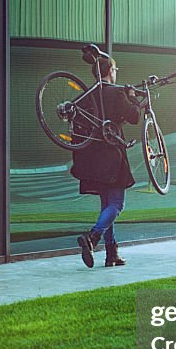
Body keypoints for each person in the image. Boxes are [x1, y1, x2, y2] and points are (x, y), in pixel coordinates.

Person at [70, 55, 143, 268]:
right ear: (110, 71)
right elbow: (134, 116)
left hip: (92, 159)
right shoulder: (116, 92)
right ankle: (92, 237)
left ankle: (112, 254)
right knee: (117, 204)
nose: (116, 72)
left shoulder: (86, 96)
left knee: (106, 205)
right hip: (113, 156)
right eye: (115, 69)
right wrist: (132, 97)